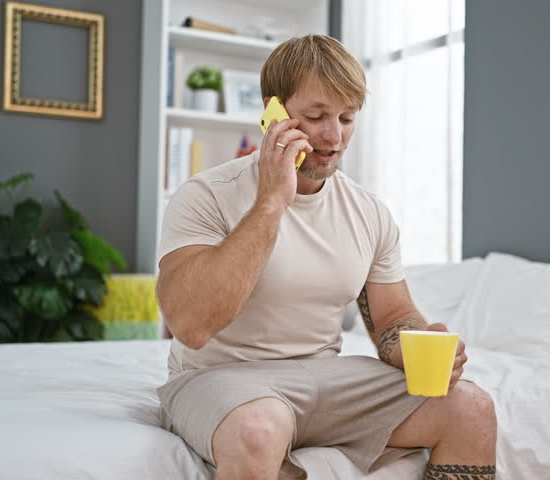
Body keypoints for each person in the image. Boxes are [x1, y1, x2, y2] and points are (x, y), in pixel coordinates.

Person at [155, 34, 497, 480]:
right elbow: (192, 325)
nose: (334, 137)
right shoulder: (205, 197)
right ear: (271, 112)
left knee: (471, 406)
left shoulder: (369, 212)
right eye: (315, 116)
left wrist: (414, 343)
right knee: (259, 429)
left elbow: (392, 315)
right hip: (218, 380)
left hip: (324, 379)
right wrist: (272, 201)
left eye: (347, 118)